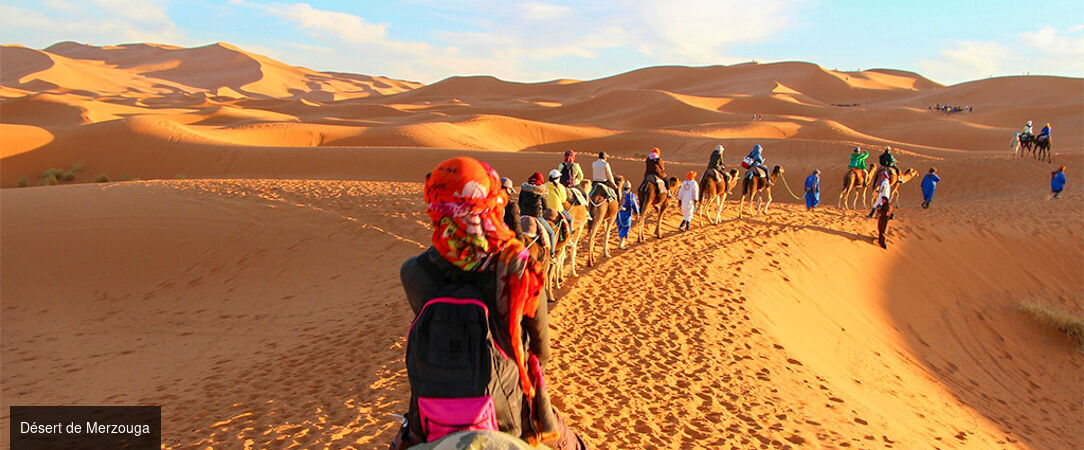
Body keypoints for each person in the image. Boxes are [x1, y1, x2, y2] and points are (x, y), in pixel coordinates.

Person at [395, 157, 586, 449]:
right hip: (506, 413)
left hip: (430, 414)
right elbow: (541, 352)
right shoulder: (519, 266)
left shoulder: (413, 271)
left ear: (435, 204)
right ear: (493, 201)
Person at [615, 179, 639, 249]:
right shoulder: (630, 195)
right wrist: (637, 213)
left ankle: (621, 243)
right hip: (626, 214)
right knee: (625, 228)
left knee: (620, 228)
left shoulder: (619, 193)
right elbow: (634, 204)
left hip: (618, 213)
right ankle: (621, 245)